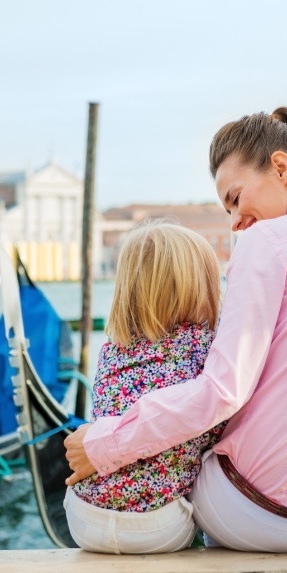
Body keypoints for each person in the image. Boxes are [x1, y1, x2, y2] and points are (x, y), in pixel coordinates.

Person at [64, 107, 287, 553]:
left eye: (234, 197)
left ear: (281, 168)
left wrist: (103, 443)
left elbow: (222, 390)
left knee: (188, 460)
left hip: (257, 517)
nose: (234, 220)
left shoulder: (268, 241)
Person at [64, 222, 228, 554]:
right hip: (158, 527)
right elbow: (217, 424)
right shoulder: (205, 347)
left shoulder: (112, 349)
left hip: (83, 519)